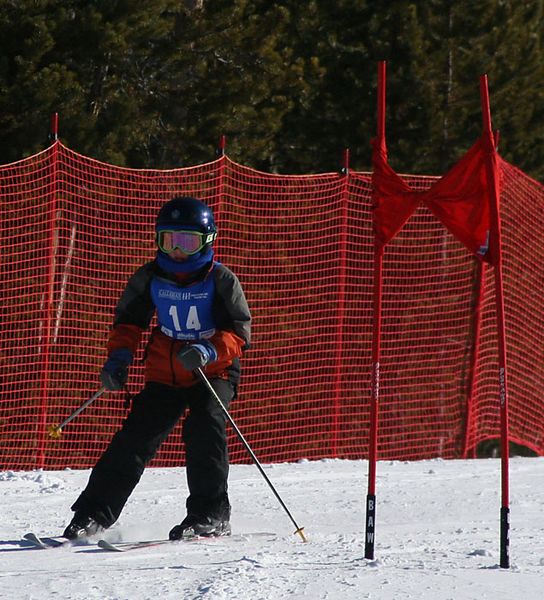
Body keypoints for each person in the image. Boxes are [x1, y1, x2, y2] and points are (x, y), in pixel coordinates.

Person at [63, 196, 251, 540]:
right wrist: (119, 358)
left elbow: (239, 332)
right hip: (165, 372)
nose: (177, 251)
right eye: (169, 240)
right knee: (135, 438)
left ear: (207, 240)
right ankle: (92, 514)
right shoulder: (151, 276)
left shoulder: (220, 279)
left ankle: (210, 514)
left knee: (204, 426)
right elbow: (128, 322)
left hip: (213, 372)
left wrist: (208, 350)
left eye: (187, 242)